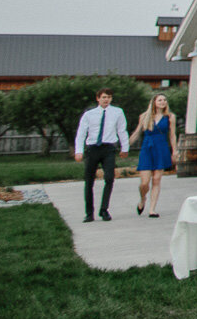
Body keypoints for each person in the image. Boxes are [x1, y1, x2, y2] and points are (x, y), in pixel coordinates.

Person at [74, 89, 130, 223]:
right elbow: (81, 133)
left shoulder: (117, 112)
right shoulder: (89, 114)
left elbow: (122, 130)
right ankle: (89, 213)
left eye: (109, 97)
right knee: (89, 181)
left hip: (108, 148)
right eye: (104, 97)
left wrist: (125, 147)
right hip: (92, 149)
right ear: (98, 99)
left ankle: (104, 209)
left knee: (109, 178)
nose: (106, 100)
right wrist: (79, 151)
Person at [130, 92, 177, 218]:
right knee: (144, 183)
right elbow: (137, 132)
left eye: (164, 100)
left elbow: (172, 135)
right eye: (160, 100)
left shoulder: (170, 117)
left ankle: (152, 209)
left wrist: (175, 151)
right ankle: (142, 198)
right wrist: (126, 144)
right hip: (147, 148)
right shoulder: (144, 116)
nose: (163, 102)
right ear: (154, 102)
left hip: (161, 148)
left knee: (156, 179)